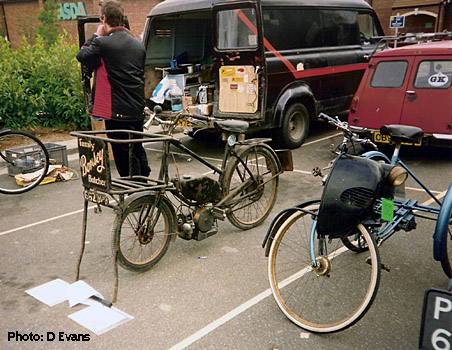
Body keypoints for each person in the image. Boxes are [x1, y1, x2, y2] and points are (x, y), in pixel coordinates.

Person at [76, 0, 150, 178]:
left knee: (123, 154)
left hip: (117, 111)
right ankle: (145, 183)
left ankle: (135, 192)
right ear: (123, 20)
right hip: (136, 108)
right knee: (137, 147)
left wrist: (96, 34)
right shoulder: (138, 45)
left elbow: (82, 55)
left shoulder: (103, 43)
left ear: (104, 19)